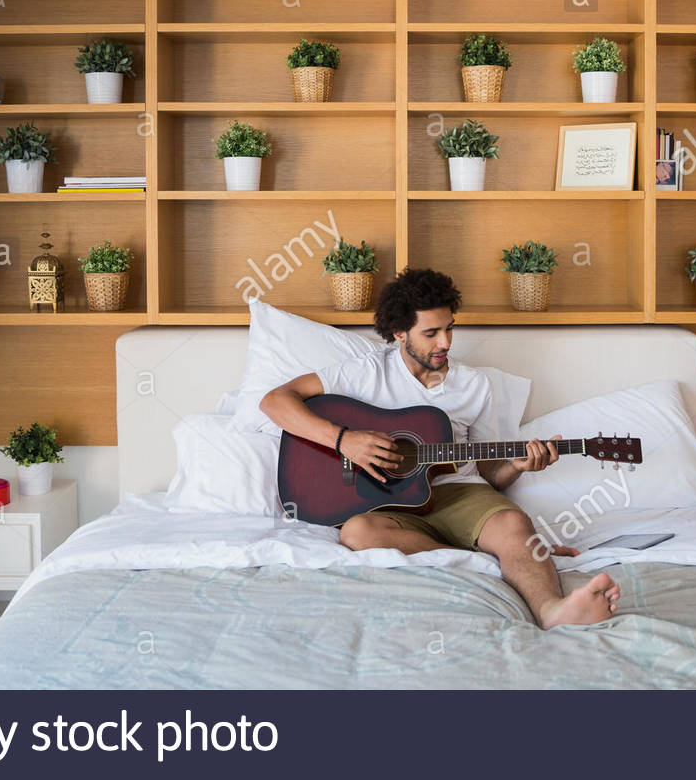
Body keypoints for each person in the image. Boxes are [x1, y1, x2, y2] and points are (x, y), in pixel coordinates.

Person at [259, 267, 621, 628]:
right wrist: (344, 440)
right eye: (431, 333)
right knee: (356, 533)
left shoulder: (474, 384)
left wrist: (518, 466)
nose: (445, 342)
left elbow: (489, 474)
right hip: (388, 503)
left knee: (512, 523)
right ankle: (499, 560)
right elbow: (275, 401)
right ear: (399, 332)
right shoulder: (364, 372)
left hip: (459, 495)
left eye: (449, 328)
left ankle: (552, 610)